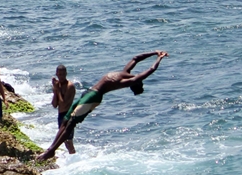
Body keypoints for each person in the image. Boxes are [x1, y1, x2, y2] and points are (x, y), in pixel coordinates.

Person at [37, 51, 170, 161]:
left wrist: (159, 58)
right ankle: (51, 149)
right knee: (65, 120)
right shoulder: (126, 72)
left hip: (93, 97)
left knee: (71, 123)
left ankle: (50, 152)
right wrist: (155, 52)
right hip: (89, 92)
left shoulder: (129, 80)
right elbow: (136, 58)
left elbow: (152, 69)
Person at [51, 64, 78, 155]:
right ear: (57, 74)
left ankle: (74, 156)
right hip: (60, 115)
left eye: (63, 74)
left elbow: (63, 103)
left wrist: (57, 89)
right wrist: (55, 91)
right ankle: (72, 156)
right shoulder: (58, 86)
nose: (61, 77)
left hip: (68, 115)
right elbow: (55, 104)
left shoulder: (70, 86)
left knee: (68, 140)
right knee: (65, 141)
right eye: (59, 74)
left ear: (66, 74)